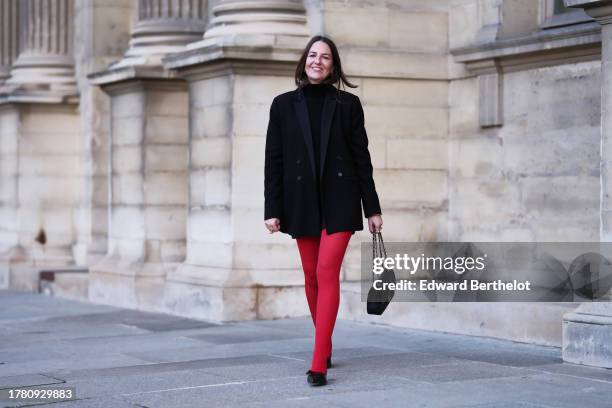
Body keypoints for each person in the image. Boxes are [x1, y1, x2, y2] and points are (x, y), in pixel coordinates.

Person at [264, 35, 383, 386]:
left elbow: (362, 159)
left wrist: (372, 208)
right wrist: (273, 208)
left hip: (340, 199)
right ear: (304, 62)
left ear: (333, 65)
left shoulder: (348, 104)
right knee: (311, 276)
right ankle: (325, 342)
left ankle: (318, 361)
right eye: (313, 55)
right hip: (301, 202)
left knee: (327, 271)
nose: (318, 61)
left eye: (325, 57)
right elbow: (274, 161)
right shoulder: (283, 105)